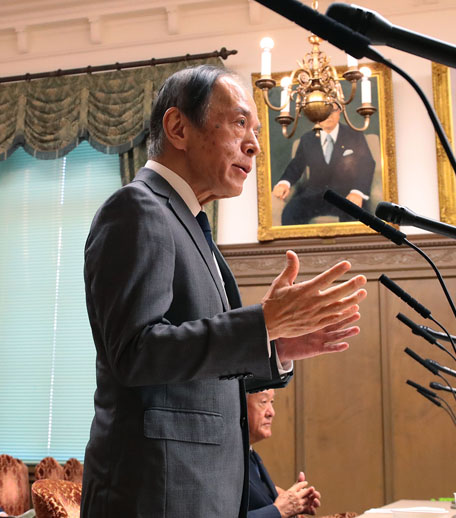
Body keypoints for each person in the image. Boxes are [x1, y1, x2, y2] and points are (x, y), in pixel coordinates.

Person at [81, 65, 367, 518]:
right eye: (238, 123)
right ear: (178, 128)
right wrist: (262, 323)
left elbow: (196, 381)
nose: (255, 145)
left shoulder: (191, 222)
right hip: (156, 496)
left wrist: (275, 346)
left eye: (256, 131)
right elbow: (135, 353)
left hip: (204, 493)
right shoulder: (138, 207)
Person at [272, 104, 376, 225]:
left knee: (356, 216)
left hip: (347, 195)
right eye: (323, 111)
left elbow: (367, 164)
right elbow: (296, 166)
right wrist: (284, 183)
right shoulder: (307, 139)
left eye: (332, 111)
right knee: (290, 212)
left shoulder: (355, 135)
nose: (328, 116)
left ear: (340, 110)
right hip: (314, 196)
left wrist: (357, 192)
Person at [247, 389, 320, 518]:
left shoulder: (251, 456)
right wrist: (279, 510)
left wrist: (295, 503)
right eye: (263, 402)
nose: (271, 412)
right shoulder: (224, 464)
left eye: (272, 402)